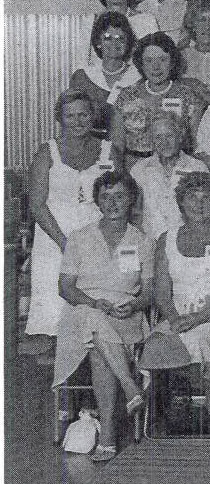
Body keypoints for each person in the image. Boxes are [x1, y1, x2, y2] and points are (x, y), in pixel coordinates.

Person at [52, 171, 152, 462]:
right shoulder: (80, 238)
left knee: (99, 347)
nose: (112, 203)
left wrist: (133, 306)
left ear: (131, 200)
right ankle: (130, 387)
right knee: (92, 320)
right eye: (105, 197)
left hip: (125, 316)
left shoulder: (143, 241)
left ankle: (108, 435)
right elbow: (66, 289)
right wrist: (95, 302)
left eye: (119, 195)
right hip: (82, 311)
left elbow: (147, 293)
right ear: (97, 201)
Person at [145, 172, 210, 441]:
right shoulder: (166, 239)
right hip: (179, 316)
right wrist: (175, 318)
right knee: (156, 342)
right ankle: (167, 412)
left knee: (202, 336)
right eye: (192, 197)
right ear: (181, 201)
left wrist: (198, 318)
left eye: (206, 198)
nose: (199, 204)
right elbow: (162, 291)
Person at [26, 92, 119, 339]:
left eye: (83, 115)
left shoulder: (109, 150)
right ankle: (57, 353)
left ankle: (95, 349)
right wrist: (65, 244)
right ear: (60, 119)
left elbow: (121, 196)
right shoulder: (48, 151)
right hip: (54, 234)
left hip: (96, 231)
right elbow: (37, 204)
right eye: (70, 116)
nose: (78, 121)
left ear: (93, 117)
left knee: (95, 291)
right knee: (53, 299)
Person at [111, 32, 207, 162]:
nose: (156, 67)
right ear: (141, 63)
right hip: (132, 168)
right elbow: (117, 145)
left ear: (172, 62)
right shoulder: (126, 96)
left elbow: (195, 146)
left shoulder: (189, 97)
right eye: (149, 60)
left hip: (174, 165)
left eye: (162, 59)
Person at [130, 112, 208, 240]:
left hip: (186, 243)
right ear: (152, 140)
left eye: (169, 136)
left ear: (181, 136)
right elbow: (134, 214)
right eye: (158, 137)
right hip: (150, 243)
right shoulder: (139, 170)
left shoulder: (198, 168)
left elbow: (205, 211)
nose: (164, 142)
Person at [69, 12, 141, 138]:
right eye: (108, 37)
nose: (114, 43)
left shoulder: (139, 76)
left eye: (120, 38)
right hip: (91, 147)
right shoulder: (82, 77)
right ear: (98, 42)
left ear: (127, 43)